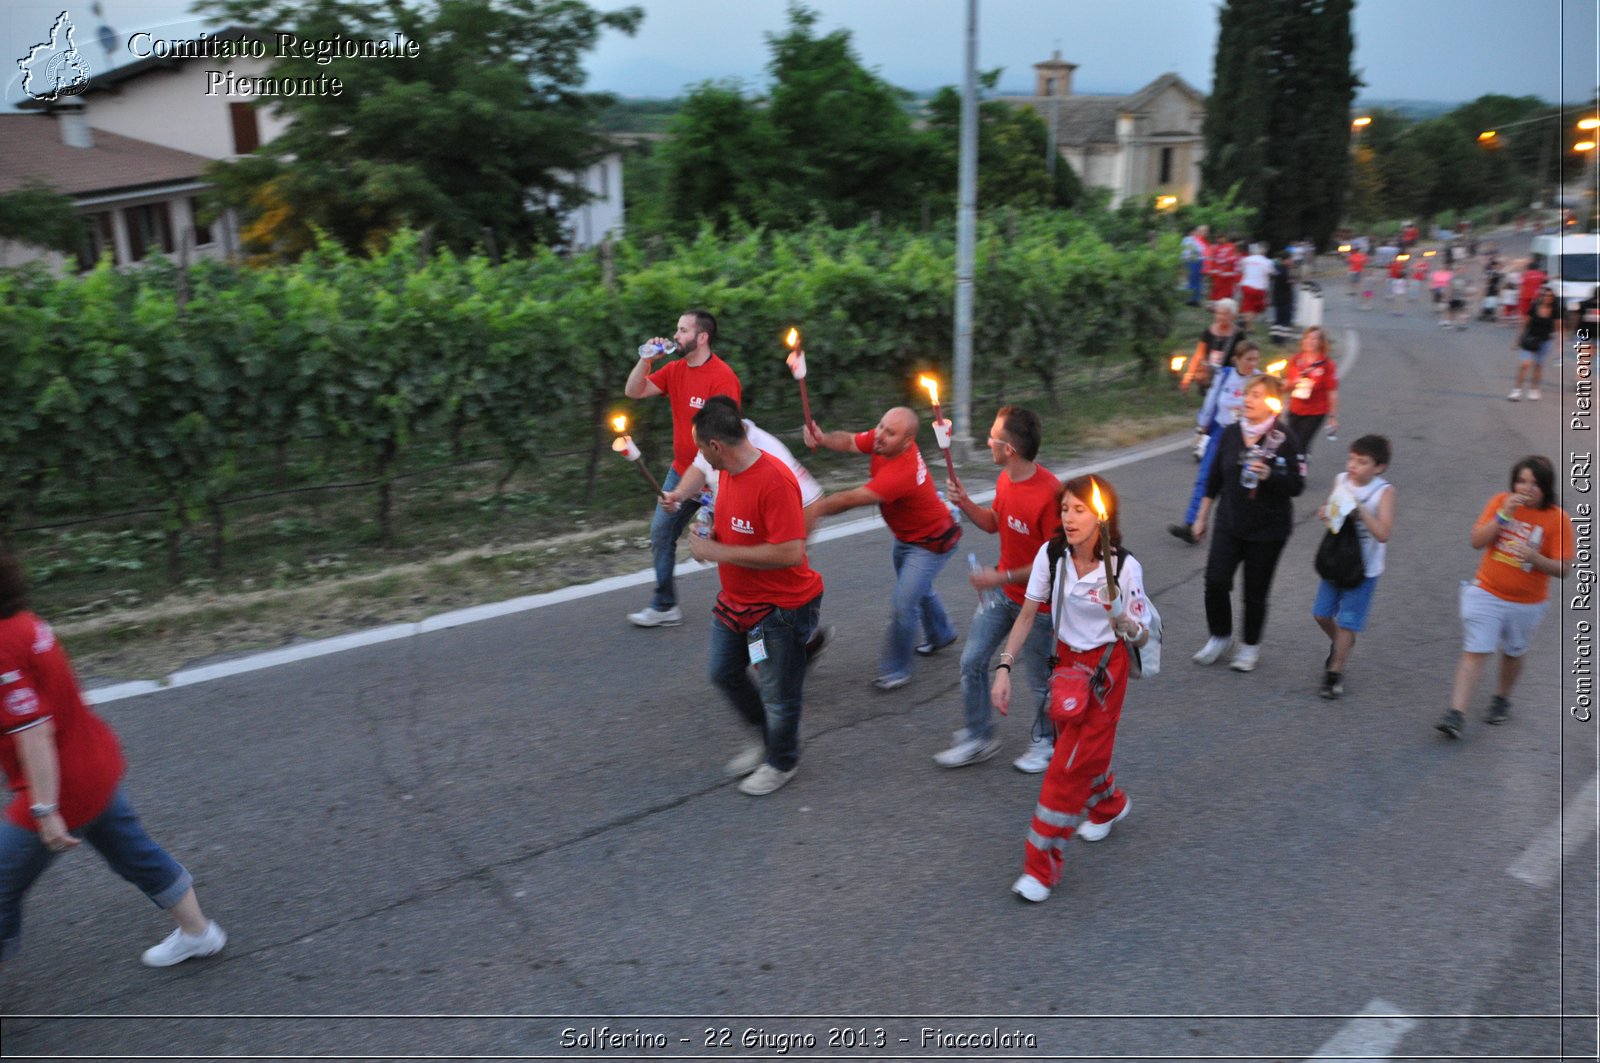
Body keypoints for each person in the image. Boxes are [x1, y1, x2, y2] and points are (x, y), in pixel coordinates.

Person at [0, 548, 226, 969]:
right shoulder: (25, 623)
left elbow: (33, 732)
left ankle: (198, 933)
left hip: (62, 786)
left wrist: (45, 809)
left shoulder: (1, 647)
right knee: (132, 852)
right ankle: (198, 933)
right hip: (95, 761)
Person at [991, 476, 1152, 903]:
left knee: (1066, 768)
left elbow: (1142, 637)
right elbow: (1026, 616)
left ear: (1102, 516)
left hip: (1105, 671)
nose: (1068, 517)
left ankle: (1039, 868)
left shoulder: (1124, 567)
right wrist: (1004, 667)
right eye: (1064, 509)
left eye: (1079, 509)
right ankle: (1108, 804)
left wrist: (1126, 624)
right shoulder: (1052, 554)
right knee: (1077, 751)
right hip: (1065, 665)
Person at [685, 401, 824, 795]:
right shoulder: (725, 471)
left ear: (717, 445)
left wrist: (718, 553)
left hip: (779, 611)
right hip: (738, 606)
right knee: (724, 672)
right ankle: (769, 740)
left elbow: (790, 552)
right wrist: (706, 525)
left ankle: (782, 761)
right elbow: (724, 514)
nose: (700, 457)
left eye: (701, 449)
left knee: (777, 690)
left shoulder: (774, 480)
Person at [938, 407, 1062, 771]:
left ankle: (1046, 742)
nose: (987, 441)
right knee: (972, 662)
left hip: (1038, 608)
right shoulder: (1007, 479)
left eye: (992, 437)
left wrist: (1001, 577)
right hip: (1003, 598)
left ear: (1008, 448)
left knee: (1040, 681)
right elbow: (995, 523)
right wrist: (965, 503)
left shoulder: (1051, 495)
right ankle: (979, 736)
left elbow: (1054, 566)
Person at [663, 396, 831, 661]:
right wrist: (679, 495)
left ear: (720, 439)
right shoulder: (720, 449)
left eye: (703, 447)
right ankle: (779, 655)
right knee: (731, 669)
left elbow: (813, 502)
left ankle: (797, 645)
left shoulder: (769, 456)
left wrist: (791, 547)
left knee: (774, 661)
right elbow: (699, 466)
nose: (702, 452)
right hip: (742, 563)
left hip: (774, 553)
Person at [804, 408, 961, 690]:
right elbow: (851, 441)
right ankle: (942, 634)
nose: (880, 434)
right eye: (880, 425)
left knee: (903, 604)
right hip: (907, 538)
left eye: (890, 433)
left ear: (907, 440)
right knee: (917, 589)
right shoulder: (882, 442)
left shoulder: (902, 470)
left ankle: (896, 670)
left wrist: (811, 509)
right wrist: (822, 438)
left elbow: (853, 498)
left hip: (930, 543)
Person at [1436, 456, 1573, 739]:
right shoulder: (1501, 501)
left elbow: (1563, 569)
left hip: (1527, 603)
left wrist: (1536, 558)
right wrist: (1502, 517)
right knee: (1476, 649)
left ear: (1547, 488)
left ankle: (1501, 697)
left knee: (1513, 652)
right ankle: (1456, 714)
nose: (1527, 488)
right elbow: (1476, 541)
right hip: (1487, 590)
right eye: (1522, 481)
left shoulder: (1558, 519)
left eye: (1535, 484)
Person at [623, 310, 742, 628]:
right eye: (676, 329)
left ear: (702, 337)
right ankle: (664, 605)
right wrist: (646, 359)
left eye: (683, 330)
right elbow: (633, 391)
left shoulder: (722, 378)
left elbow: (726, 435)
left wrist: (712, 491)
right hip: (681, 471)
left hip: (718, 476)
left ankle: (751, 605)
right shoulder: (674, 370)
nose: (675, 336)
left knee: (730, 545)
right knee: (661, 533)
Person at [1190, 374, 1306, 673]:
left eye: (1256, 394)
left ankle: (1249, 647)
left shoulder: (1285, 438)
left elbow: (1297, 484)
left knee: (1255, 592)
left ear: (1271, 402)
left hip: (1268, 530)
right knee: (1215, 581)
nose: (1248, 399)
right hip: (1229, 521)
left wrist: (1272, 476)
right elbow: (1214, 479)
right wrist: (1201, 517)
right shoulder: (1230, 433)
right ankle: (1220, 636)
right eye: (1247, 394)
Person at [1312, 435, 1396, 699]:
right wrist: (1326, 513)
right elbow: (1333, 521)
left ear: (1378, 467)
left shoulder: (1384, 491)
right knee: (1321, 614)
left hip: (1364, 569)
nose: (1353, 465)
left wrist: (1359, 510)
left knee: (1348, 621)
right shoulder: (1340, 480)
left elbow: (1383, 533)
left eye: (1362, 462)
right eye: (1351, 458)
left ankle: (1334, 674)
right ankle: (1342, 643)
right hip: (1337, 561)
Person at [1170, 339, 1262, 544]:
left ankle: (1241, 525)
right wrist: (1202, 426)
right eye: (1248, 359)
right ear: (1236, 359)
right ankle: (1192, 525)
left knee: (1240, 481)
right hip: (1222, 432)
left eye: (1256, 359)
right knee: (1205, 477)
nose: (1252, 363)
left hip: (1248, 436)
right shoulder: (1225, 375)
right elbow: (1211, 401)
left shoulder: (1260, 380)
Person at [1284, 326, 1339, 457]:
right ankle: (1301, 461)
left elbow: (1332, 392)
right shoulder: (1296, 360)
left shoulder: (1327, 364)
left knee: (1300, 443)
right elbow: (1287, 385)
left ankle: (1298, 472)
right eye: (1307, 337)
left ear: (1320, 342)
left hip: (1315, 411)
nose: (1310, 341)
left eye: (1314, 338)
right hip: (1295, 409)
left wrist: (1333, 417)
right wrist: (1290, 384)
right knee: (1290, 442)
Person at [1179, 298, 1246, 394]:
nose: (1221, 317)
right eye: (1218, 313)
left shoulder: (1238, 334)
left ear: (1233, 316)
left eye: (1225, 314)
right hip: (1209, 376)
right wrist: (1188, 377)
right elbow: (1199, 355)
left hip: (1228, 376)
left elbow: (1243, 356)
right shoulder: (1208, 332)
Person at [1508, 287, 1559, 402]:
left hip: (1545, 342)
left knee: (1538, 366)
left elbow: (1558, 328)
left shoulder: (1555, 310)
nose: (1548, 298)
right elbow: (1524, 323)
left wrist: (1558, 346)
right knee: (1525, 365)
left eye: (1550, 296)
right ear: (1542, 296)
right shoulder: (1534, 307)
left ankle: (1534, 389)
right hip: (1530, 339)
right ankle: (1516, 391)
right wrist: (1517, 339)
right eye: (1546, 296)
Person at [1238, 242, 1275, 328]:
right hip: (1259, 287)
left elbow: (1241, 270)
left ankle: (1247, 323)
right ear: (1266, 251)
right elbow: (1271, 273)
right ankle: (1248, 323)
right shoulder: (1267, 262)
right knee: (1257, 307)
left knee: (1248, 305)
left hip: (1246, 285)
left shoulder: (1246, 259)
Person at [1180, 224, 1210, 306]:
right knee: (1192, 281)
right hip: (1192, 261)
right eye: (1202, 231)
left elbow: (1205, 254)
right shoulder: (1190, 239)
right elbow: (1183, 251)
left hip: (1196, 262)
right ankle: (1192, 299)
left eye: (1205, 231)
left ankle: (1194, 299)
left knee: (1195, 281)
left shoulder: (1201, 241)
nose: (1204, 233)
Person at [1209, 236, 1240, 304]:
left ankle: (1217, 304)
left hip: (1223, 272)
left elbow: (1231, 260)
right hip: (1224, 272)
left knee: (1220, 289)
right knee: (1222, 290)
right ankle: (1219, 304)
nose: (1219, 240)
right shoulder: (1227, 247)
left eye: (1220, 238)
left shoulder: (1227, 247)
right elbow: (1231, 260)